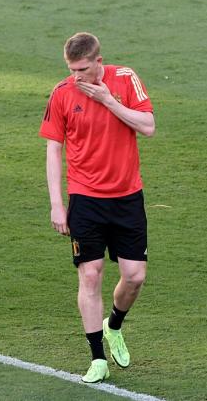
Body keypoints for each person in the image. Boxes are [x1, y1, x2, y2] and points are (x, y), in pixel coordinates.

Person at [39, 32, 155, 383]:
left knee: (135, 276)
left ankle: (114, 325)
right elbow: (53, 149)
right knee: (90, 275)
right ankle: (97, 358)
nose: (77, 76)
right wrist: (57, 205)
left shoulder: (125, 79)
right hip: (85, 199)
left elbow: (148, 127)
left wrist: (108, 101)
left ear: (99, 62)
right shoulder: (62, 93)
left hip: (126, 197)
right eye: (72, 69)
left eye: (84, 69)